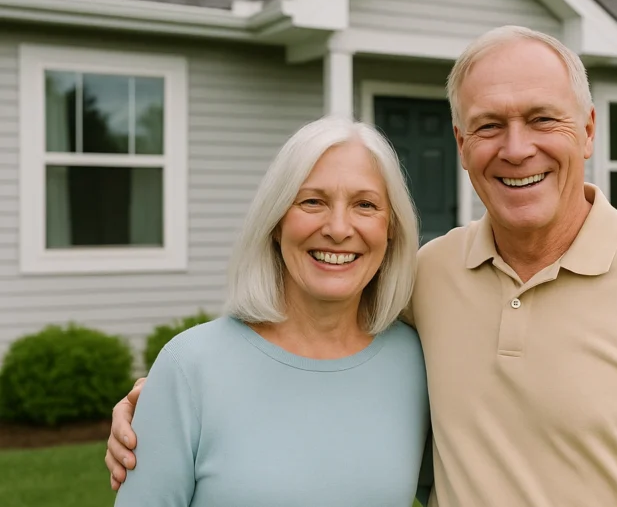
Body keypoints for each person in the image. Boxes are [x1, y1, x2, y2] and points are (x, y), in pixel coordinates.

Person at [106, 26, 617, 506]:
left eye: (542, 118)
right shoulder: (429, 281)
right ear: (460, 143)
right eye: (488, 126)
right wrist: (159, 402)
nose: (516, 148)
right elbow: (298, 358)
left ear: (589, 130)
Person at [108, 117, 432, 506]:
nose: (339, 228)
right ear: (276, 222)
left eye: (365, 204)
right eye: (313, 201)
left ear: (391, 227)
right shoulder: (188, 367)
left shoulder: (419, 361)